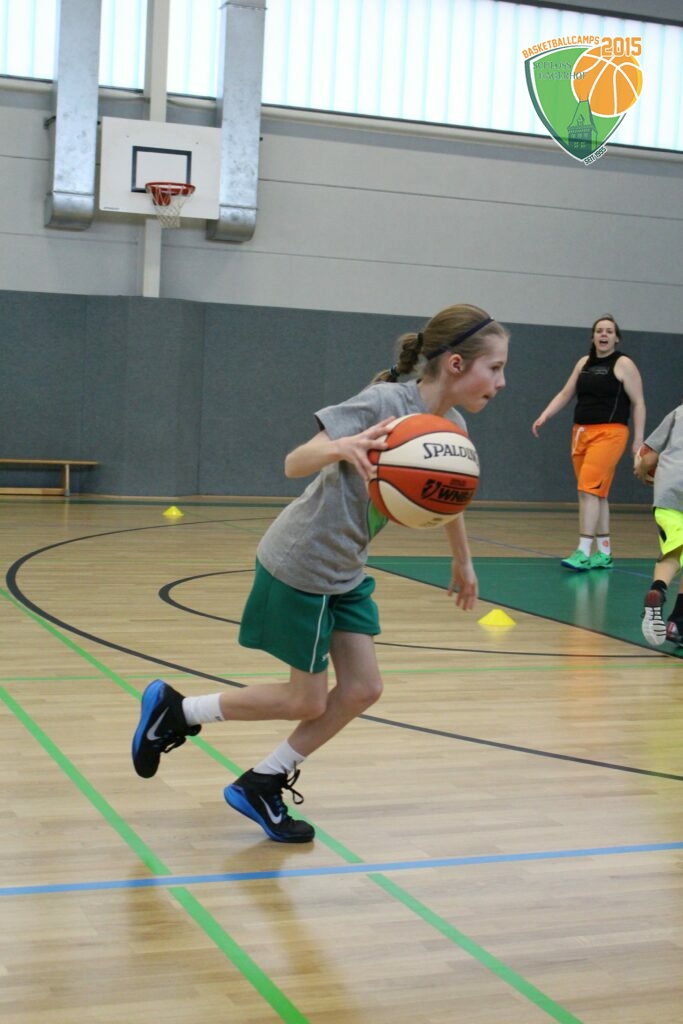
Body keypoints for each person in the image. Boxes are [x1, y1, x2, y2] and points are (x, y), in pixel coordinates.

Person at [132, 303, 509, 843]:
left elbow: (447, 494)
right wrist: (340, 446)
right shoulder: (385, 402)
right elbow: (295, 462)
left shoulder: (451, 427)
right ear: (455, 363)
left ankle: (263, 780)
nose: (501, 381)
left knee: (362, 688)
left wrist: (463, 558)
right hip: (304, 561)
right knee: (306, 699)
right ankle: (179, 712)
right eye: (495, 368)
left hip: (345, 568)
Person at [531, 314, 645, 571]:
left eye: (609, 331)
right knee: (597, 494)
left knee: (588, 491)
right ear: (593, 336)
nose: (603, 334)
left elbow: (638, 403)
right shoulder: (583, 363)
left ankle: (583, 551)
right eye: (599, 331)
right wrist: (545, 415)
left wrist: (638, 439)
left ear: (616, 338)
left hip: (610, 433)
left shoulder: (623, 364)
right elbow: (565, 393)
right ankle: (604, 553)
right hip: (581, 433)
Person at [636, 400, 683, 648]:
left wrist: (642, 471)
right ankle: (677, 622)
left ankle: (659, 588)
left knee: (672, 551)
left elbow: (649, 456)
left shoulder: (677, 413)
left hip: (668, 493)